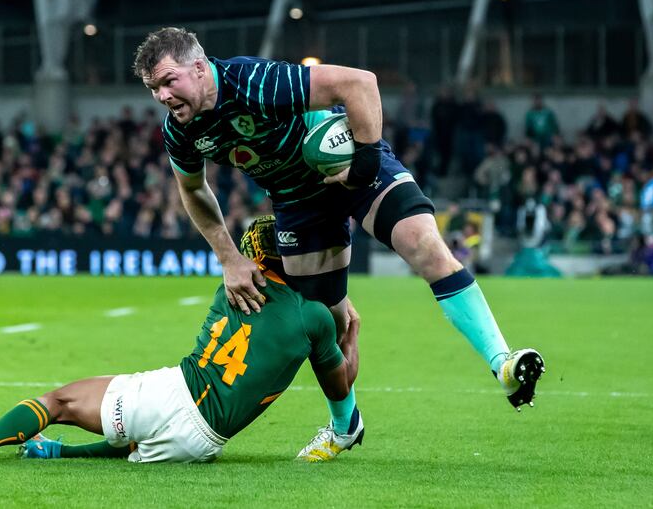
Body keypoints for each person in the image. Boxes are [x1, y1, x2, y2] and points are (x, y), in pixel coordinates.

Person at [133, 27, 544, 449]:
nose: (162, 96)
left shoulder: (253, 82)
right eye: (153, 88)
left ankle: (504, 363)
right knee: (326, 325)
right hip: (298, 203)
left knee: (424, 244)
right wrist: (229, 258)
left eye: (169, 81)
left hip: (351, 168)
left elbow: (359, 83)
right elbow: (193, 188)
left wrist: (365, 164)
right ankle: (345, 426)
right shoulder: (180, 130)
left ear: (200, 68)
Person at [0, 216, 363, 464]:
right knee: (135, 441)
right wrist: (352, 332)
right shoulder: (316, 319)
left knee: (58, 403)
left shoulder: (231, 284)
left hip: (178, 397)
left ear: (256, 259)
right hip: (205, 443)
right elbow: (339, 384)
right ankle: (59, 452)